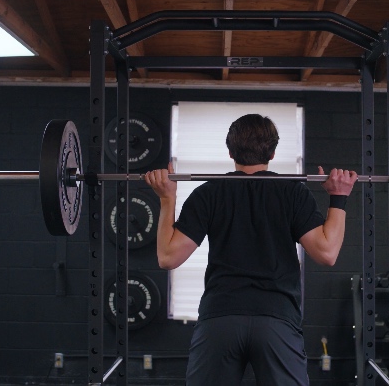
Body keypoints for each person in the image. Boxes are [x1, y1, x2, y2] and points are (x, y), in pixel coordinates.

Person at [144, 113, 357, 386]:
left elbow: (167, 257)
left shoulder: (209, 193)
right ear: (273, 151)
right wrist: (338, 197)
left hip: (221, 319)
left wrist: (167, 198)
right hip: (276, 320)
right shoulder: (292, 193)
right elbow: (327, 253)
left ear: (230, 150)